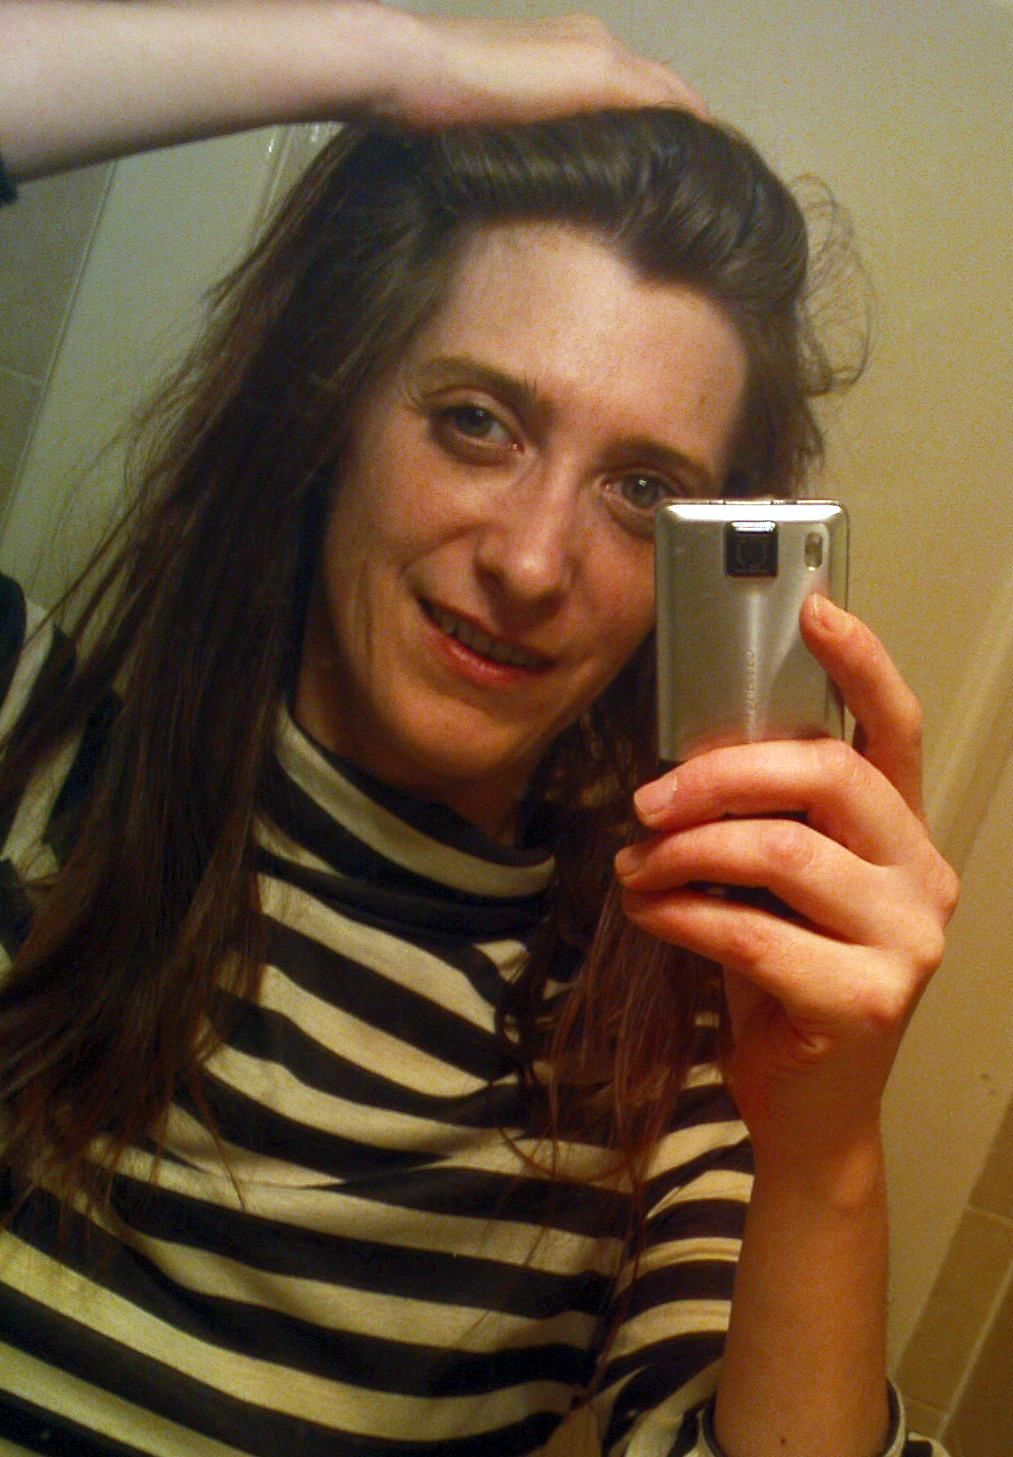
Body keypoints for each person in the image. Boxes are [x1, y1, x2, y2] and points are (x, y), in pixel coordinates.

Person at [0, 5, 958, 1457]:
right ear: (334, 410)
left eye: (641, 490)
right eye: (476, 421)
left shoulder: (663, 1045)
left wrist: (825, 1163)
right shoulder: (26, 744)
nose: (529, 559)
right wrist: (383, 59)